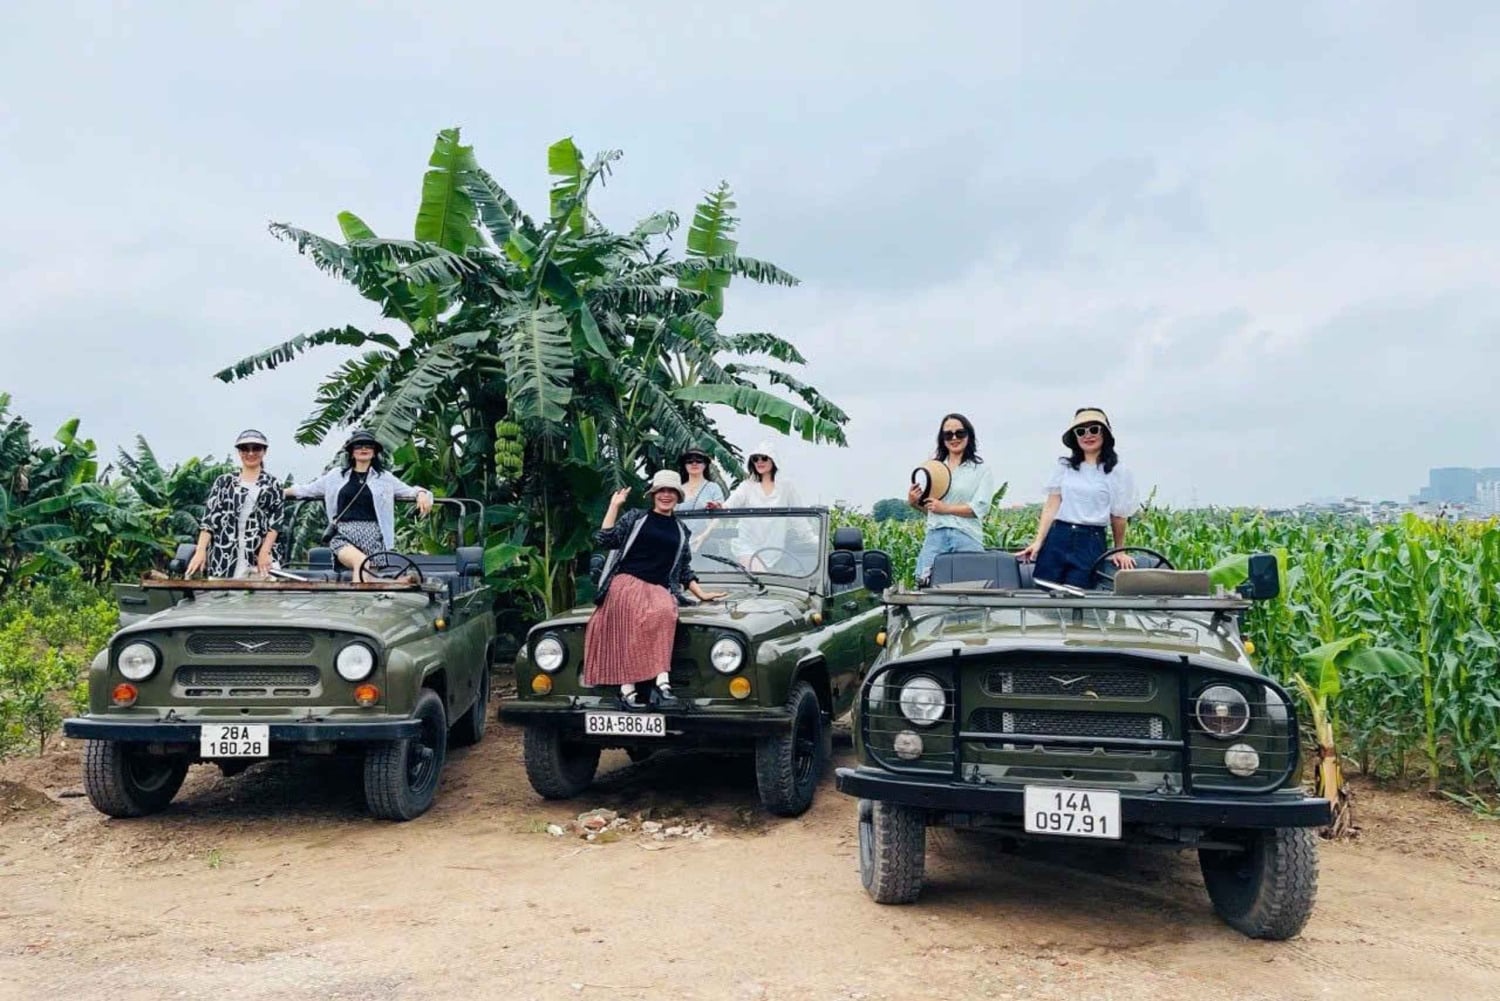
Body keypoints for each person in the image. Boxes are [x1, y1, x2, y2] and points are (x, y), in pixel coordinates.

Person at [585, 470, 727, 709]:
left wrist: (700, 593)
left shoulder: (681, 530)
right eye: (661, 490)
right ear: (653, 495)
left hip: (659, 588)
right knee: (637, 616)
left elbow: (683, 569)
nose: (666, 495)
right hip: (627, 582)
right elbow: (606, 538)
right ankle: (627, 690)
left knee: (665, 612)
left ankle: (661, 685)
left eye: (671, 491)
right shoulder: (636, 518)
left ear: (678, 497)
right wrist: (614, 505)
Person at [284, 429, 435, 577]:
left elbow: (410, 491)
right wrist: (279, 492)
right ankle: (357, 601)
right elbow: (306, 490)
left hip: (374, 535)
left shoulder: (384, 478)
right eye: (358, 445)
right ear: (351, 451)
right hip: (343, 533)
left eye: (368, 446)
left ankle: (360, 600)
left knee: (368, 578)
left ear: (375, 452)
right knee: (362, 562)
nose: (364, 449)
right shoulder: (335, 476)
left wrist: (421, 493)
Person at [1016, 408, 1139, 588]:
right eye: (1081, 431)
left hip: (1090, 541)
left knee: (1078, 598)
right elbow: (1052, 506)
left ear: (1104, 433)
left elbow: (1119, 515)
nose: (1087, 435)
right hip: (1058, 537)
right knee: (1044, 593)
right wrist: (1038, 541)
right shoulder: (1065, 467)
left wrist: (1119, 550)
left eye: (1094, 430)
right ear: (1075, 437)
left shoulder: (1118, 471)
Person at [185, 429, 285, 579]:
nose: (250, 453)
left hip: (260, 559)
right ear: (239, 452)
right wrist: (200, 551)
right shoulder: (224, 482)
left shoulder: (274, 484)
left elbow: (275, 523)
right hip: (224, 558)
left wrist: (264, 552)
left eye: (256, 448)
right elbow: (209, 521)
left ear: (264, 451)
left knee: (265, 600)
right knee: (220, 601)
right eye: (245, 448)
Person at [909, 413, 995, 584]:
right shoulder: (932, 468)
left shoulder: (981, 470)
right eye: (948, 434)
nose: (954, 438)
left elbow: (980, 508)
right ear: (942, 439)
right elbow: (930, 507)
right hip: (936, 534)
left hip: (967, 535)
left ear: (969, 436)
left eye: (959, 433)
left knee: (972, 588)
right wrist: (914, 503)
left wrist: (946, 508)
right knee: (925, 584)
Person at [720, 440, 805, 570]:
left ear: (773, 460)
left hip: (774, 546)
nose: (759, 462)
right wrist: (718, 507)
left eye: (764, 458)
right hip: (746, 544)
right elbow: (730, 504)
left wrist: (812, 540)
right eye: (755, 459)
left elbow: (798, 518)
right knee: (759, 575)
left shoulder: (786, 487)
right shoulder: (747, 486)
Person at [676, 447, 725, 511]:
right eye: (689, 461)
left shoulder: (713, 488)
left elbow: (721, 513)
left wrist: (716, 507)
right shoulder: (678, 489)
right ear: (685, 465)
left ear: (705, 465)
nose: (694, 464)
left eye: (699, 461)